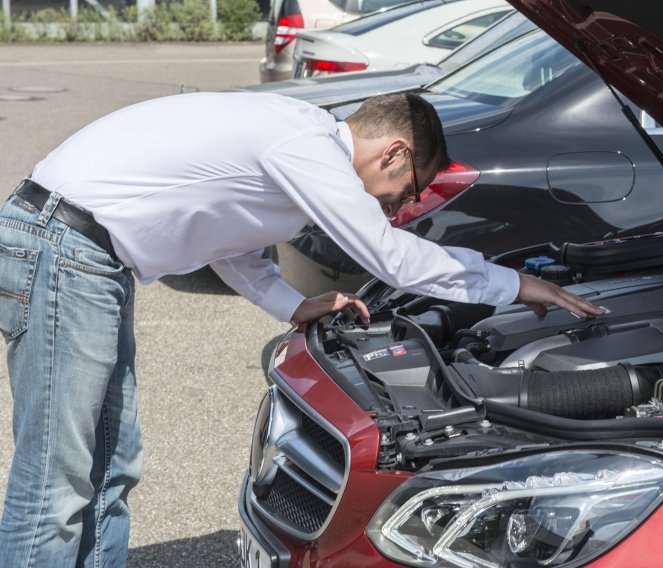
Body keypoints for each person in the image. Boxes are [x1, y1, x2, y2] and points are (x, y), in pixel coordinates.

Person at [0, 91, 602, 567]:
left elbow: (228, 244)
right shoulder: (307, 146)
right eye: (409, 192)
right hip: (65, 247)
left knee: (111, 462)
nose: (400, 208)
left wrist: (291, 305)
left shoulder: (295, 139)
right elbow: (390, 256)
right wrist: (516, 285)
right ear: (394, 152)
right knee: (59, 475)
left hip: (84, 256)